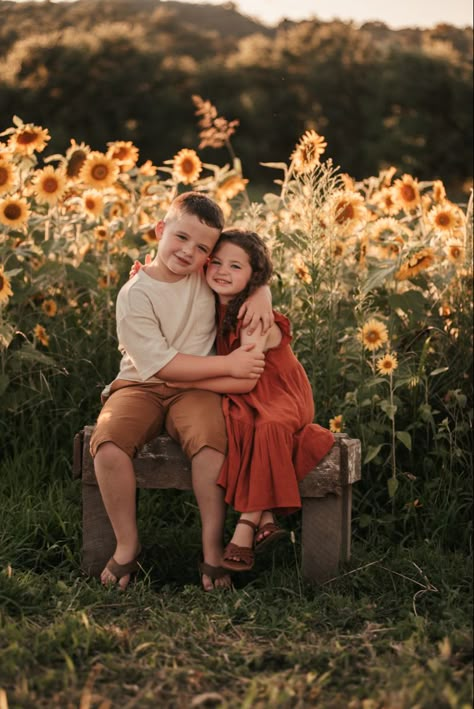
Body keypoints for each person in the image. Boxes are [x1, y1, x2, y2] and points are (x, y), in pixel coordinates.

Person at [90, 193, 273, 591]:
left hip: (197, 390)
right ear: (160, 230)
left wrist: (262, 291)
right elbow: (161, 367)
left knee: (211, 446)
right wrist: (229, 365)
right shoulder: (135, 293)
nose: (189, 252)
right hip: (140, 385)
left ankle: (211, 548)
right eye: (181, 238)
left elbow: (244, 270)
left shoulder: (206, 277)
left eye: (203, 247)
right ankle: (127, 544)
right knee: (107, 444)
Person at [170, 229, 335, 571]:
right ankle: (267, 517)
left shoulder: (253, 316)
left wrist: (185, 379)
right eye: (216, 262)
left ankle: (244, 529)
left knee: (269, 427)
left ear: (252, 277)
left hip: (278, 391)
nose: (222, 271)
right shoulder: (208, 297)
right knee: (239, 424)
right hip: (241, 390)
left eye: (235, 266)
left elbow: (246, 379)